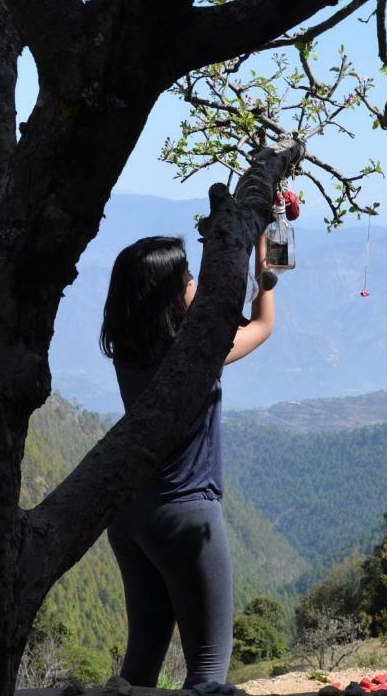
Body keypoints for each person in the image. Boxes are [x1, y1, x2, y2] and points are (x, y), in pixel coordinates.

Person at [100, 233, 275, 688]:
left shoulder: (128, 344)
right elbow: (263, 325)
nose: (196, 285)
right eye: (190, 279)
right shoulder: (195, 354)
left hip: (128, 512)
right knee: (209, 665)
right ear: (171, 295)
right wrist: (265, 270)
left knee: (142, 656)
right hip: (185, 514)